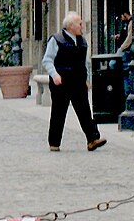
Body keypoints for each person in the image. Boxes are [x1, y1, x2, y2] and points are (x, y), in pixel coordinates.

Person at [42, 11, 106, 152]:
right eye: (80, 23)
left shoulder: (82, 41)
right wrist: (55, 75)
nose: (82, 26)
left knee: (84, 111)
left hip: (78, 82)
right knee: (59, 112)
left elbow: (86, 63)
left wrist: (87, 79)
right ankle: (54, 143)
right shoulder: (57, 39)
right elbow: (47, 60)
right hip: (61, 82)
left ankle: (92, 138)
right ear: (70, 26)